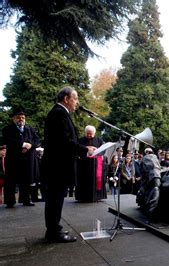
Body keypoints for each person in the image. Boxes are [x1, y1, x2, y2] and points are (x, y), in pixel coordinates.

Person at [42, 87, 96, 243]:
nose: (77, 102)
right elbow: (64, 142)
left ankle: (53, 229)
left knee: (55, 198)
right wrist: (85, 149)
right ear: (66, 99)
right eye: (75, 98)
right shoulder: (59, 114)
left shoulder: (59, 113)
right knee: (55, 199)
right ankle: (53, 232)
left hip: (56, 166)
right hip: (57, 167)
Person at [2, 107, 41, 208]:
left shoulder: (30, 129)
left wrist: (30, 146)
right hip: (13, 159)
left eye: (23, 117)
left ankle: (26, 200)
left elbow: (37, 141)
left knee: (26, 180)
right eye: (18, 117)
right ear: (14, 119)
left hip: (27, 159)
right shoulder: (7, 129)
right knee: (11, 181)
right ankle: (10, 201)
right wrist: (22, 144)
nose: (21, 119)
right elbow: (9, 141)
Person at [76, 125, 107, 202]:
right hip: (84, 166)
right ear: (85, 132)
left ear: (94, 133)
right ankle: (83, 197)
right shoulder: (80, 140)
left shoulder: (99, 140)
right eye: (87, 133)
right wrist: (86, 150)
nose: (89, 135)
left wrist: (97, 150)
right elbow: (77, 150)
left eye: (91, 133)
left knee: (96, 181)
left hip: (96, 165)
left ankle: (97, 197)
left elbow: (103, 150)